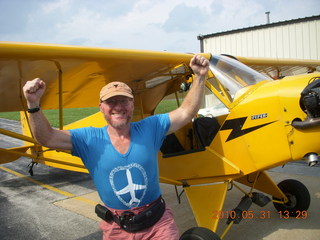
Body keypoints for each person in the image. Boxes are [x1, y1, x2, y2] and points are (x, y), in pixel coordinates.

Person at [22, 54, 210, 240]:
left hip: (158, 224)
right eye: (111, 101)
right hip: (117, 229)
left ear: (132, 104)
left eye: (123, 100)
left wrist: (200, 76)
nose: (118, 106)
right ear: (101, 107)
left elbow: (186, 112)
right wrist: (33, 103)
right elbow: (47, 137)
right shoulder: (88, 138)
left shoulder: (151, 127)